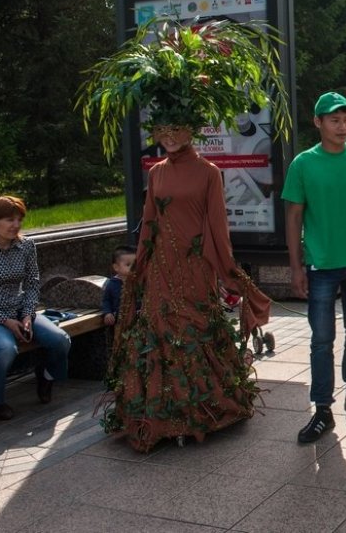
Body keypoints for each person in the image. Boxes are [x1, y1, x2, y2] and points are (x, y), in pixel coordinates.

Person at [105, 124, 272, 452]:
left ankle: (201, 412)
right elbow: (149, 222)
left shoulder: (209, 172)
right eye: (162, 131)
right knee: (161, 329)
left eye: (176, 130)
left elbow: (217, 223)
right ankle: (162, 416)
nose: (168, 137)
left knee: (193, 327)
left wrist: (227, 267)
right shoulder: (156, 174)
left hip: (195, 264)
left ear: (191, 131)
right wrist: (140, 263)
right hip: (161, 268)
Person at [283, 92, 346, 444]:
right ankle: (323, 409)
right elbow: (293, 217)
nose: (342, 126)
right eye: (334, 120)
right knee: (321, 340)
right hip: (321, 265)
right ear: (318, 123)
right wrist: (296, 267)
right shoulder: (303, 164)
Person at [0, 196, 71, 420]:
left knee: (60, 340)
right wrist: (5, 321)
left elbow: (32, 284)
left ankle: (47, 375)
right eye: (9, 219)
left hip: (21, 311)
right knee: (5, 348)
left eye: (19, 219)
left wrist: (28, 316)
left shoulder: (26, 246)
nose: (16, 225)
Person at [101, 245, 135, 327]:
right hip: (119, 320)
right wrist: (107, 313)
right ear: (116, 267)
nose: (133, 268)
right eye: (128, 265)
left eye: (135, 264)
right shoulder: (112, 284)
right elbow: (106, 300)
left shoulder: (137, 281)